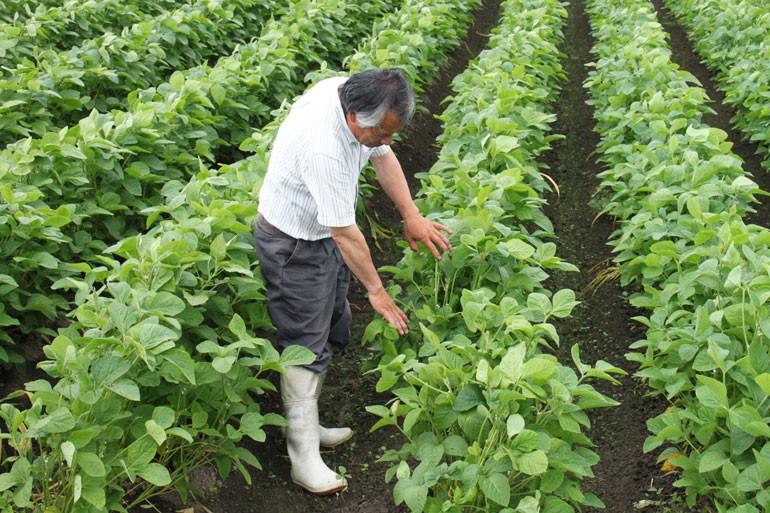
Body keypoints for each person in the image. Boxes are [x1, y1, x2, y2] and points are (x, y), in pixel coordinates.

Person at [253, 68, 451, 495]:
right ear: (354, 118)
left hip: (321, 232)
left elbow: (383, 157)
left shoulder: (352, 96)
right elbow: (346, 232)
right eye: (381, 133)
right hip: (293, 243)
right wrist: (376, 291)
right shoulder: (324, 147)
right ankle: (302, 455)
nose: (386, 141)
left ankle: (311, 423)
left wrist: (410, 213)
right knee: (303, 340)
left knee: (326, 324)